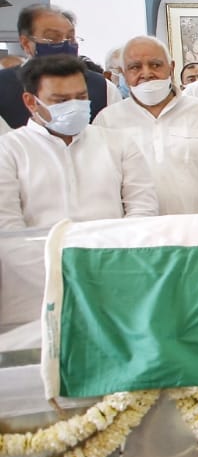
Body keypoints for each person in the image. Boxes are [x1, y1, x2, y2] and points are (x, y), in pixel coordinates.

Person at [0, 55, 158, 328]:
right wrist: (64, 278)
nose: (73, 107)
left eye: (80, 97)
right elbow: (9, 232)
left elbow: (142, 210)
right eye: (60, 101)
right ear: (31, 102)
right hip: (37, 291)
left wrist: (106, 269)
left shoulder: (116, 142)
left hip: (115, 277)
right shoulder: (9, 150)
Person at [93, 36, 198, 215]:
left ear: (171, 68)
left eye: (155, 65)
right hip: (139, 235)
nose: (146, 73)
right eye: (135, 67)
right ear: (124, 73)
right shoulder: (108, 121)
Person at [0, 4, 121, 129]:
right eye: (52, 38)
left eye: (70, 38)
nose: (66, 44)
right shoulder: (3, 86)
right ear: (26, 43)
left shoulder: (103, 88)